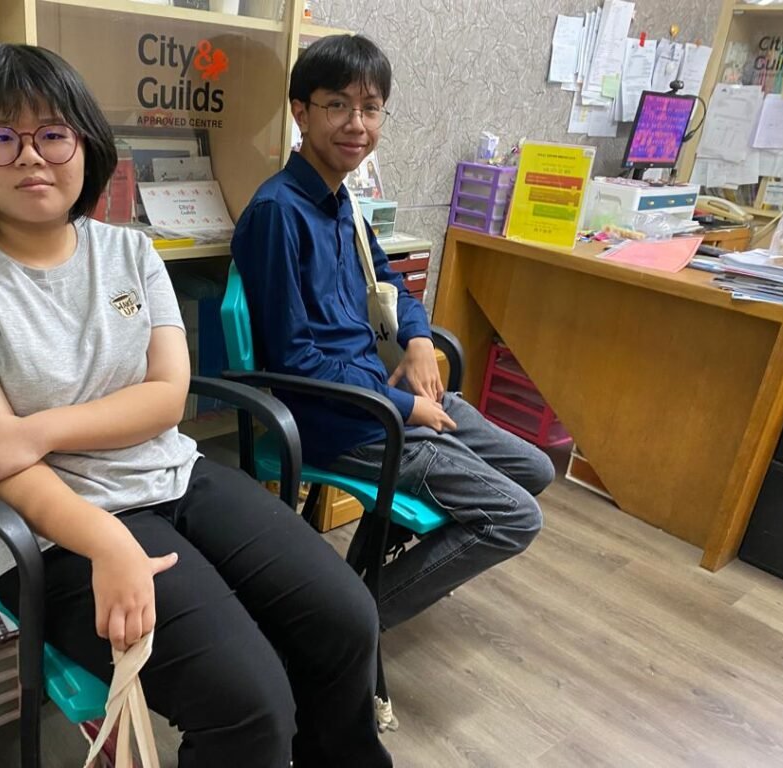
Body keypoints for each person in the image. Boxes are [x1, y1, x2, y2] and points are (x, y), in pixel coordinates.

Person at [0, 43, 392, 768]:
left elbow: (165, 397)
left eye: (53, 134)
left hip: (173, 475)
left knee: (348, 620)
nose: (30, 157)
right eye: (2, 136)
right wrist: (106, 542)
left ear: (84, 143)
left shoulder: (130, 251)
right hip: (56, 528)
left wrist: (35, 430)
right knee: (248, 702)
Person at [231, 35, 555, 631]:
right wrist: (406, 406)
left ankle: (371, 561)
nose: (357, 124)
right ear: (300, 112)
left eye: (371, 108)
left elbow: (388, 280)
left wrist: (419, 341)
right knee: (516, 516)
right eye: (337, 105)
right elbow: (294, 360)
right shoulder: (277, 213)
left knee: (536, 469)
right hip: (344, 417)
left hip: (378, 397)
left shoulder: (341, 201)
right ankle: (349, 626)